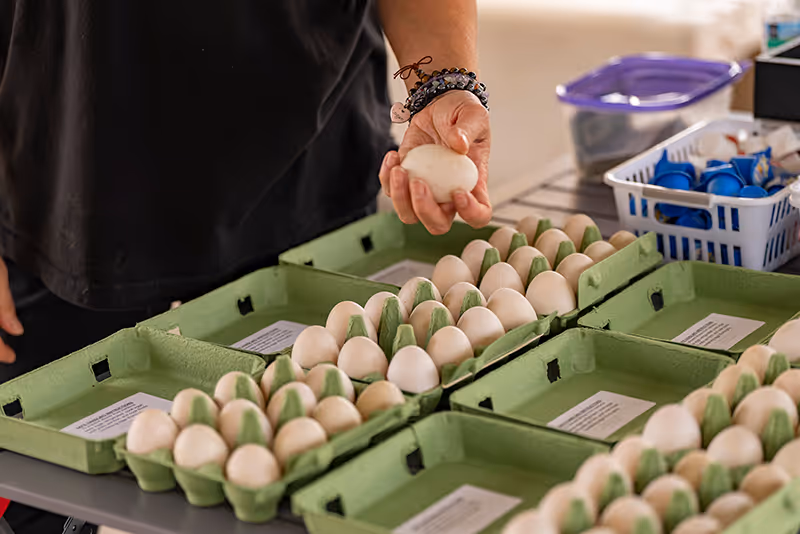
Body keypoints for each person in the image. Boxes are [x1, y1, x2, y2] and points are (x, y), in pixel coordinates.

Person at [0, 1, 490, 532]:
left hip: (304, 183)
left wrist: (443, 84)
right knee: (43, 499)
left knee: (311, 490)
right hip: (58, 188)